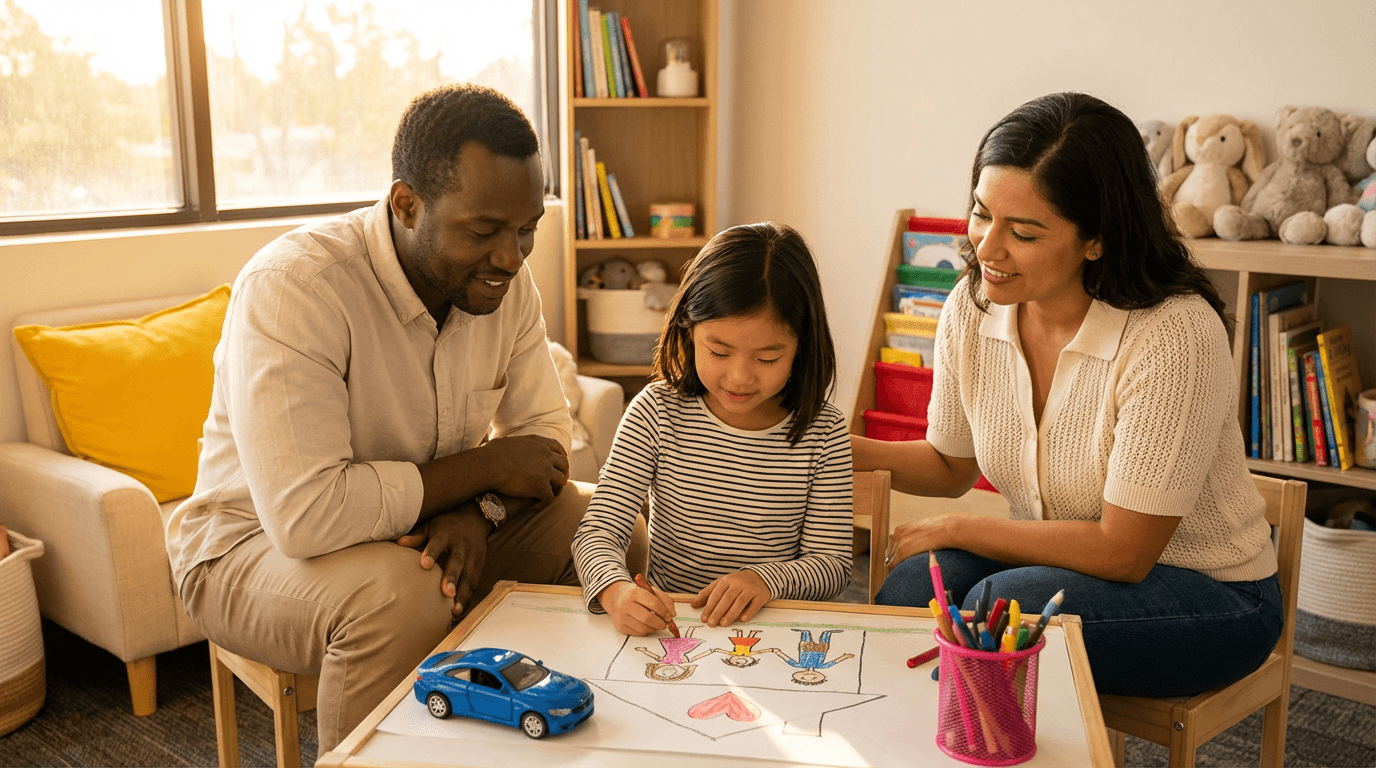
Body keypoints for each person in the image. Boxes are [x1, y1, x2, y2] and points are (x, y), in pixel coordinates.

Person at [164, 84, 642, 753]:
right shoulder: (296, 286)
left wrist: (481, 513)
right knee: (405, 595)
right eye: (483, 231)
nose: (512, 256)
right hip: (246, 547)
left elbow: (546, 450)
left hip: (425, 524)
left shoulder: (505, 283)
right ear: (406, 205)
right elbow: (307, 516)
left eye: (526, 228)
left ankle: (559, 744)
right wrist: (488, 467)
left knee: (605, 528)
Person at [857, 92, 1282, 698]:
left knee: (1003, 608)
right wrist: (829, 445)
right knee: (914, 591)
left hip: (1213, 596)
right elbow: (951, 465)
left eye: (1023, 232)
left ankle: (990, 748)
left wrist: (958, 527)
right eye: (981, 214)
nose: (985, 247)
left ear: (1097, 239)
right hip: (1062, 566)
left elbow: (1123, 552)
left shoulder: (1173, 332)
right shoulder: (972, 305)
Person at [572, 223, 854, 636]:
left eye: (767, 358)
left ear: (802, 347)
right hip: (673, 630)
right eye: (719, 351)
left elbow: (831, 566)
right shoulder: (655, 412)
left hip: (774, 632)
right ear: (688, 330)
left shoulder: (823, 432)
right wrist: (615, 591)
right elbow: (598, 532)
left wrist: (765, 580)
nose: (740, 378)